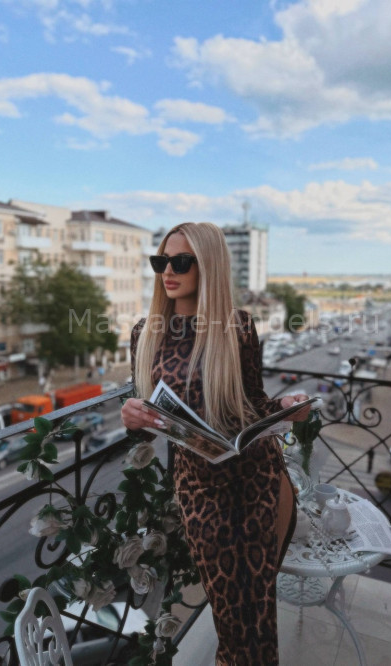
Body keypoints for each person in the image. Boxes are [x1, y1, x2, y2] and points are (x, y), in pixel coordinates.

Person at [121, 222, 311, 665]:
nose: (168, 271)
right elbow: (147, 422)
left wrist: (287, 407)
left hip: (258, 480)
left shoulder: (238, 327)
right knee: (229, 613)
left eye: (181, 262)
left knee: (257, 611)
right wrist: (132, 418)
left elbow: (254, 404)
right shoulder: (145, 333)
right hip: (201, 491)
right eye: (161, 261)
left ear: (208, 266)